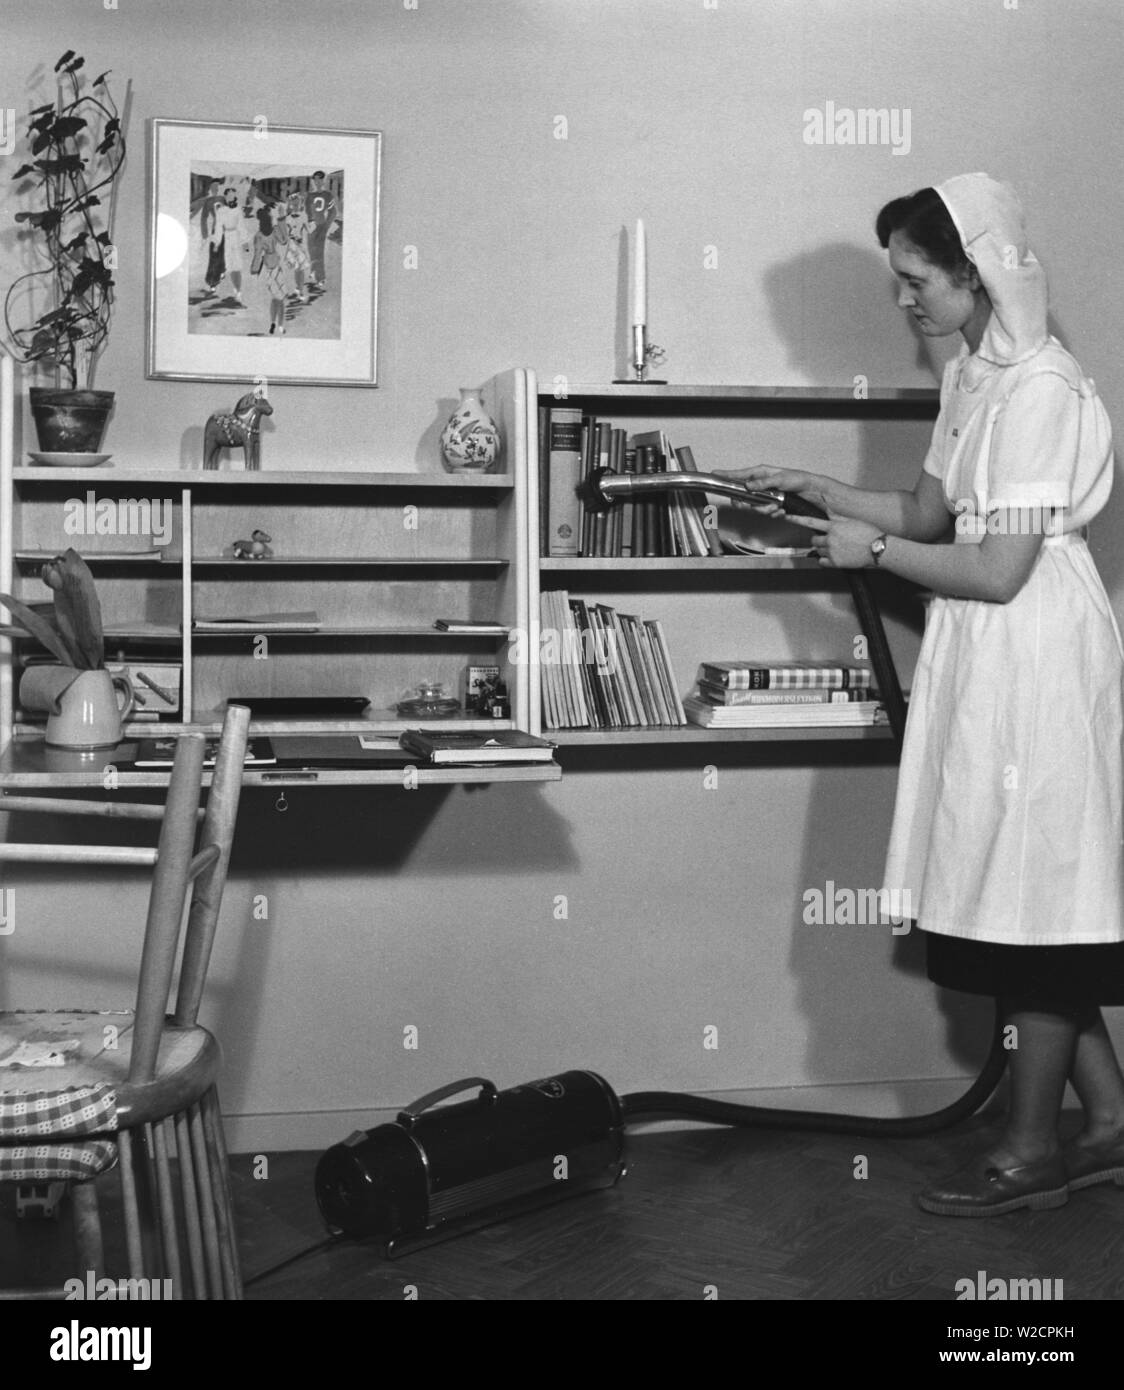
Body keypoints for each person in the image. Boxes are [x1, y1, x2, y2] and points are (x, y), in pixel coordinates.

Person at [727, 172, 1124, 1216]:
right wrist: (819, 493)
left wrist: (878, 549)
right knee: (1009, 891)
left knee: (1034, 898)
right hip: (981, 655)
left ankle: (1032, 1146)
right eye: (894, 280)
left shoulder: (1041, 386)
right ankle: (1113, 1122)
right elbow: (922, 510)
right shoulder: (969, 378)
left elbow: (998, 569)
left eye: (913, 280)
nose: (900, 300)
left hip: (1037, 653)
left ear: (972, 270)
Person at [205, 187, 247, 305]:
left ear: (235, 197)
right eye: (228, 195)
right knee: (230, 265)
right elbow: (218, 227)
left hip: (236, 238)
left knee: (237, 265)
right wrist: (216, 243)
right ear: (225, 197)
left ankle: (238, 291)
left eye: (233, 195)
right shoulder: (221, 211)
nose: (231, 197)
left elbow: (241, 226)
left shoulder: (238, 210)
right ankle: (236, 288)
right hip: (227, 238)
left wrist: (244, 242)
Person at [305, 170, 337, 290]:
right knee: (311, 249)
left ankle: (321, 277)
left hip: (321, 226)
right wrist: (309, 221)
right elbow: (307, 211)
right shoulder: (309, 196)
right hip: (311, 226)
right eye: (315, 179)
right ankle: (314, 270)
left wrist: (326, 226)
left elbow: (333, 212)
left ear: (323, 180)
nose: (317, 182)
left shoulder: (327, 195)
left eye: (320, 179)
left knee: (319, 251)